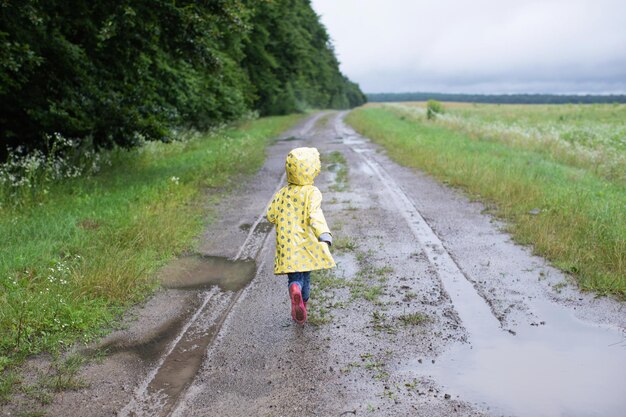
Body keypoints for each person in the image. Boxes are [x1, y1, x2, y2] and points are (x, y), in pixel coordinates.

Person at [267, 147, 335, 325]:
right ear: (313, 169)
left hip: (288, 247)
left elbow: (270, 215)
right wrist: (323, 233)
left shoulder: (282, 193)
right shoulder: (312, 193)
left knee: (295, 277)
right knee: (306, 275)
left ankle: (294, 288)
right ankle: (302, 300)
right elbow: (315, 215)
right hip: (307, 246)